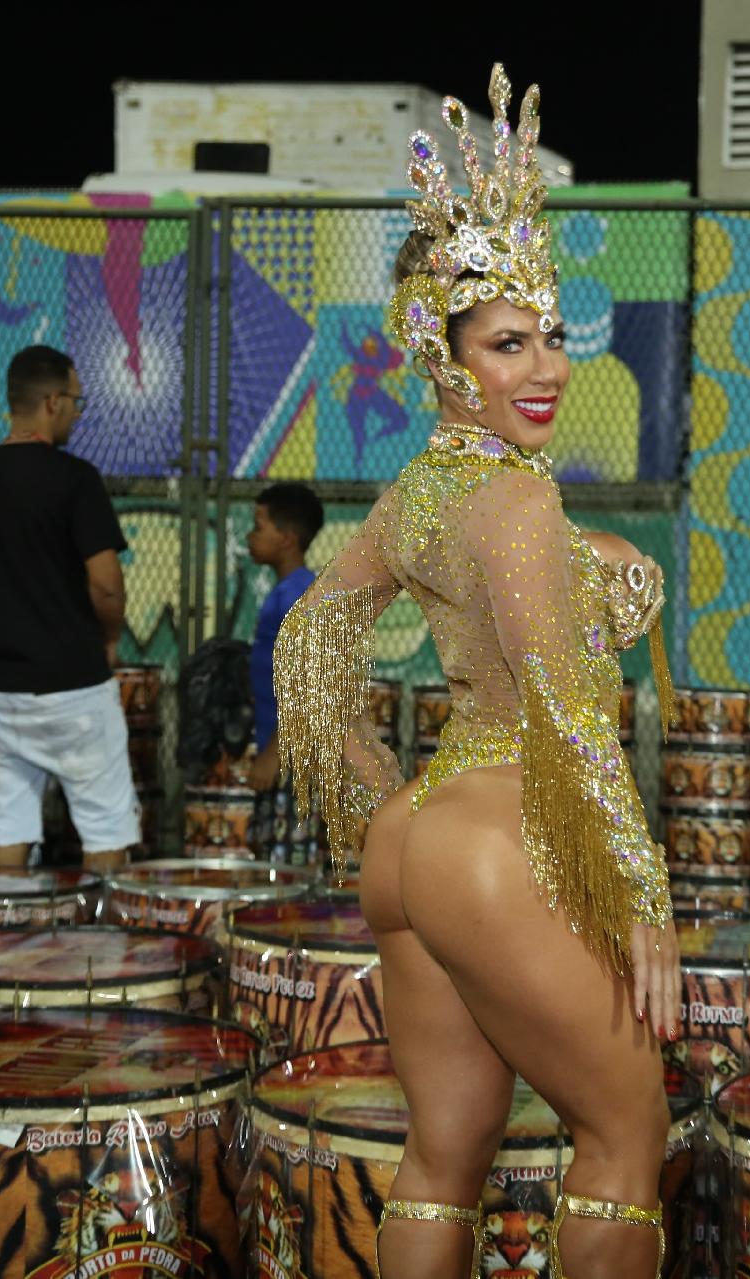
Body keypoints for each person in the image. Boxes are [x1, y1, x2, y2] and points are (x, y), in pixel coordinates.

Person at [274, 66, 680, 1279]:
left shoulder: (419, 492)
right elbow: (561, 694)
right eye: (509, 342)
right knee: (623, 1131)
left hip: (420, 838)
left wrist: (377, 795)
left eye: (551, 334)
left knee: (447, 1147)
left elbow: (310, 640)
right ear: (440, 356)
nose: (546, 365)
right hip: (504, 841)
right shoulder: (508, 496)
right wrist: (641, 890)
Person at [0, 344, 138, 872]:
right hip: (74, 684)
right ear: (51, 402)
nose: (75, 412)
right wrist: (108, 637)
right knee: (104, 825)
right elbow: (107, 586)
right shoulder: (75, 480)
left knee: (7, 823)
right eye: (75, 401)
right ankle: (105, 948)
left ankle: (3, 943)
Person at [244, 484, 323, 860]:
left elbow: (314, 680)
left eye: (259, 526)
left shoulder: (299, 595)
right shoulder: (285, 592)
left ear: (288, 539)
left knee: (287, 870)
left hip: (294, 760)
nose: (250, 535)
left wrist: (275, 752)